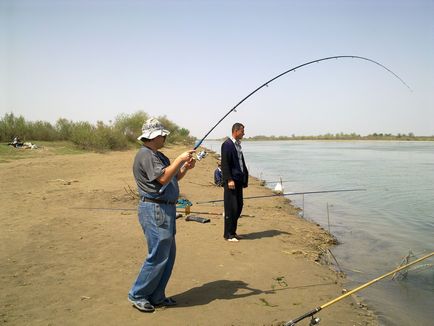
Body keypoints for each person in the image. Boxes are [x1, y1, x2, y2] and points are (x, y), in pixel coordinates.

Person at [128, 117, 196, 313]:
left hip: (166, 208)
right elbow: (163, 177)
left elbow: (173, 176)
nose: (165, 137)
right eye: (163, 134)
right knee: (158, 255)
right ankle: (138, 294)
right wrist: (179, 159)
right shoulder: (145, 155)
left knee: (168, 255)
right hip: (154, 209)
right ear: (155, 136)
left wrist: (185, 167)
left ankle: (157, 296)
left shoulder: (159, 155)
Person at [221, 123, 248, 242]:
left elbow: (240, 163)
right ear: (236, 131)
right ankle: (228, 234)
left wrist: (244, 178)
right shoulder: (227, 144)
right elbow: (225, 163)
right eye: (242, 131)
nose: (244, 133)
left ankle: (233, 232)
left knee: (239, 206)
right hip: (231, 181)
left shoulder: (238, 145)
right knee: (231, 208)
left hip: (238, 180)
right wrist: (229, 179)